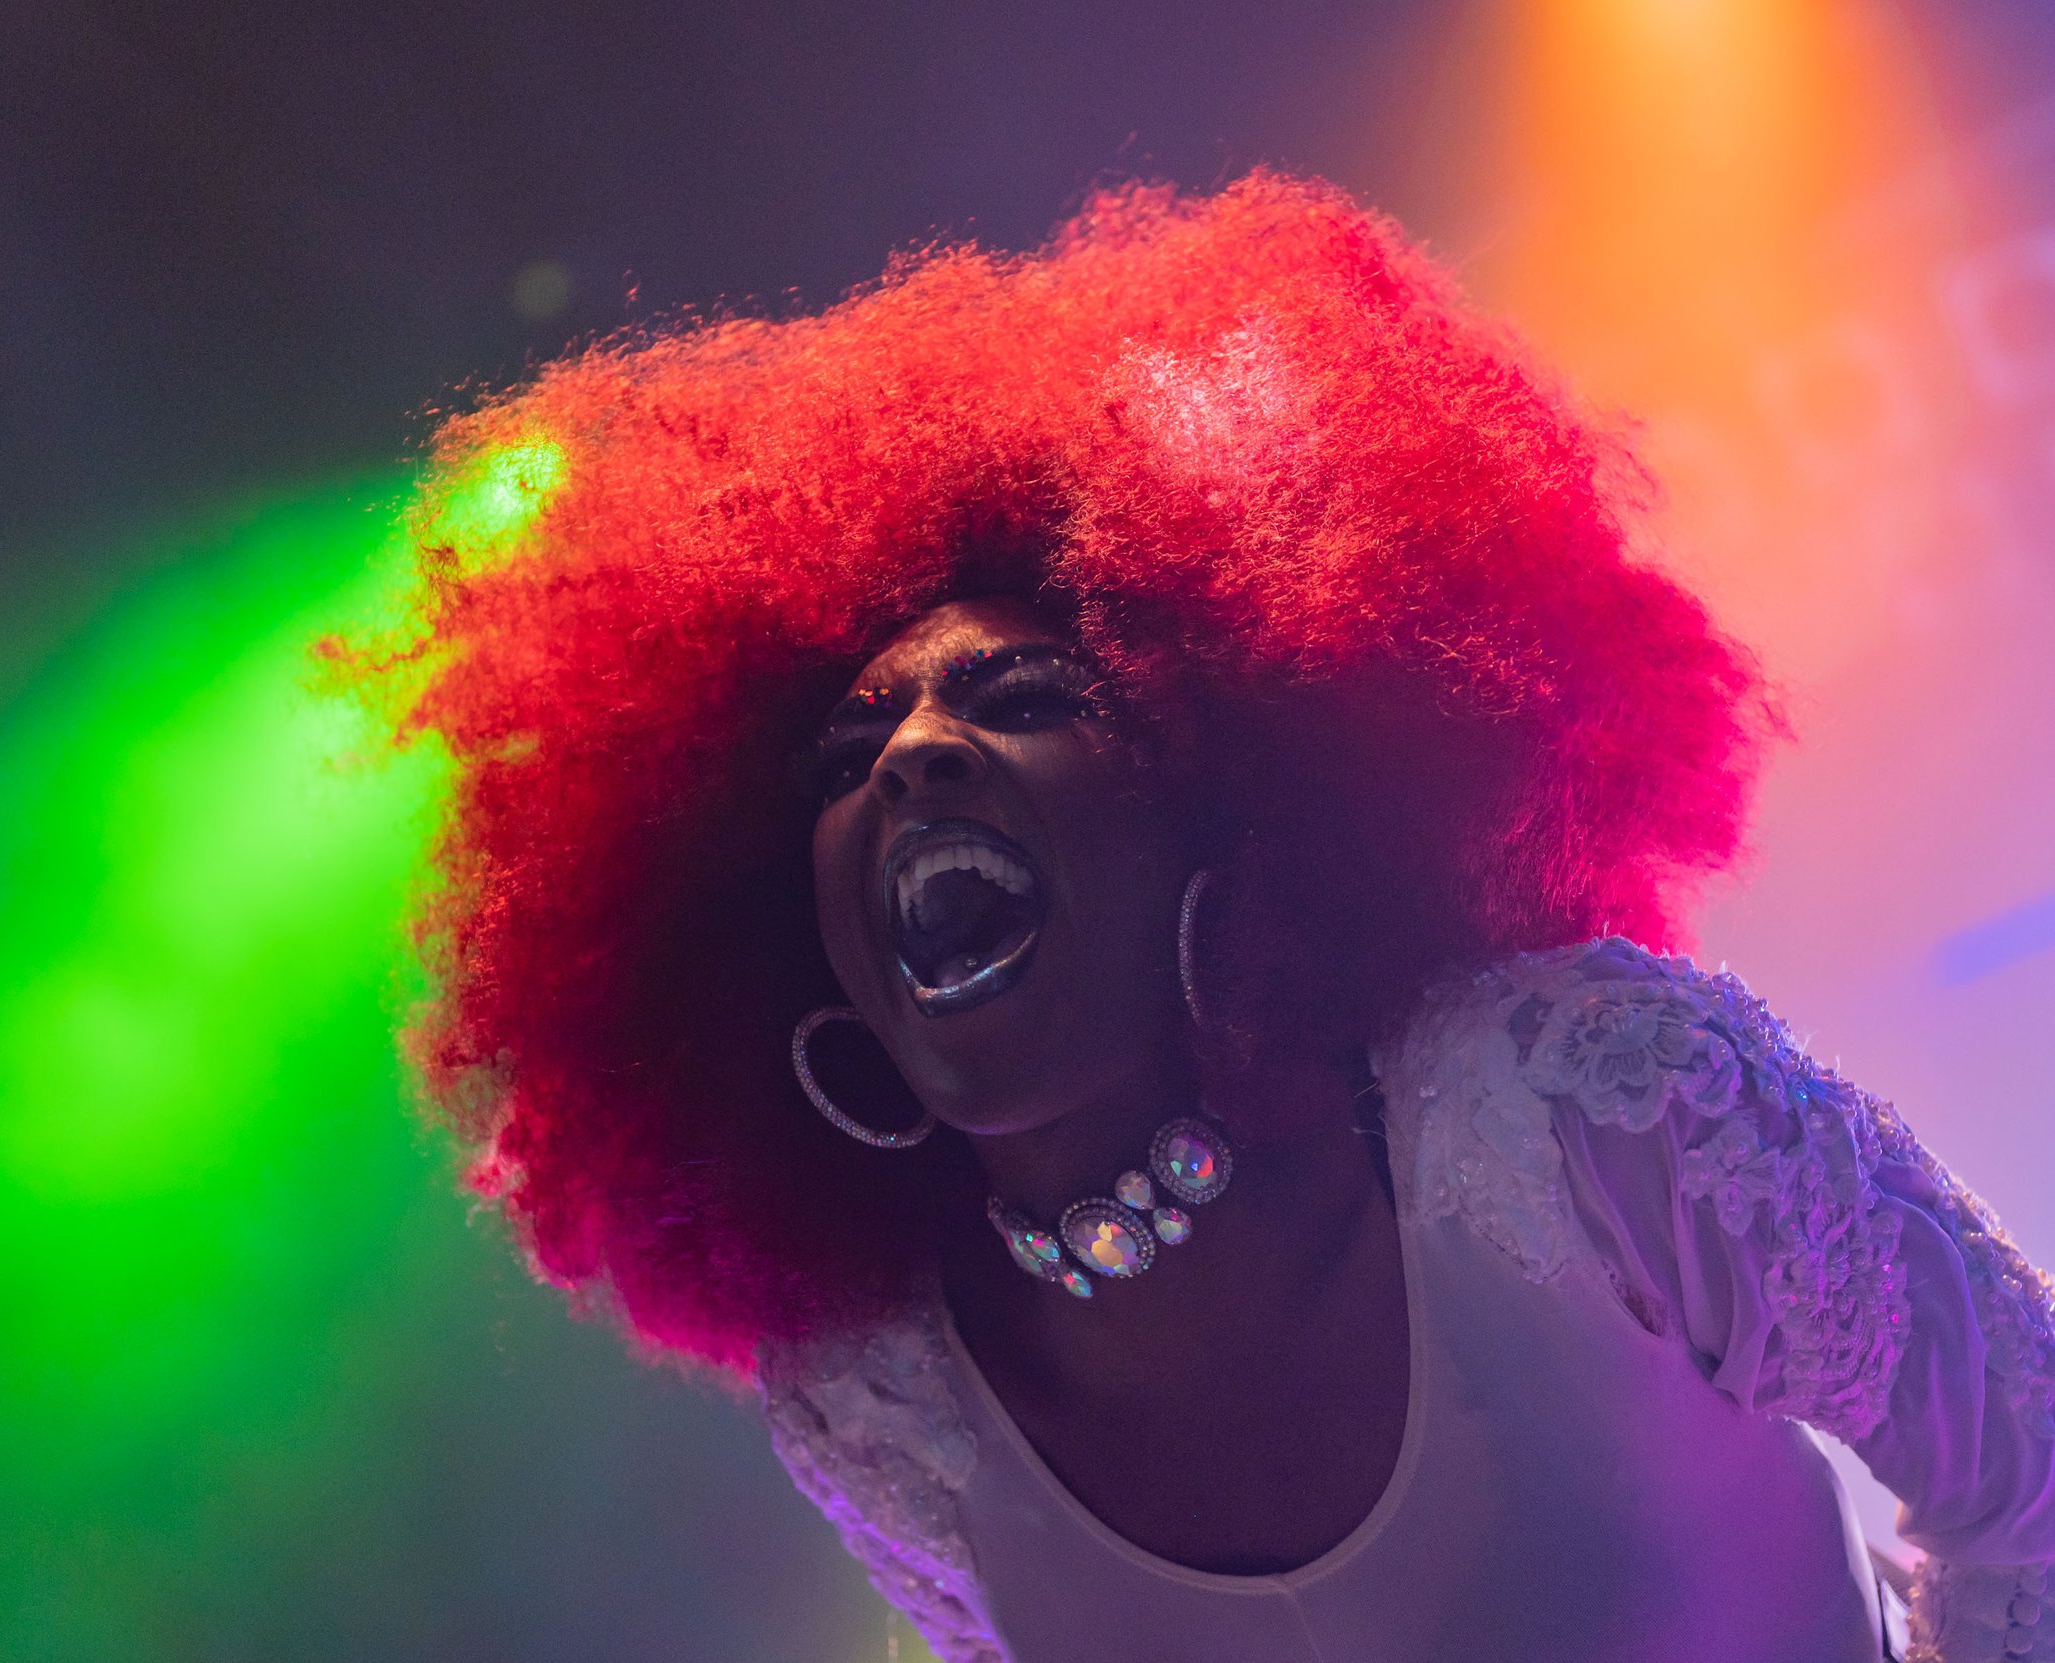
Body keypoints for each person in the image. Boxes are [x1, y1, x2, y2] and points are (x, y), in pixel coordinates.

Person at [332, 175, 2055, 1660]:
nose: (920, 755)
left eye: (1014, 697)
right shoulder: (883, 1402)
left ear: (1217, 808)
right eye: (849, 756)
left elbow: (2030, 1484)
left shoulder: (1578, 1104)